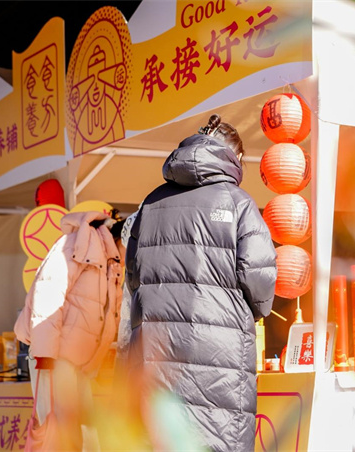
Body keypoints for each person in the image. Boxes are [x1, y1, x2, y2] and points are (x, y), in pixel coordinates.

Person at [125, 114, 277, 452]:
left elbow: (134, 275)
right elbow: (259, 277)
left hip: (155, 347)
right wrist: (244, 312)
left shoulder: (151, 203)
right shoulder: (238, 203)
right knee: (218, 436)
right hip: (219, 350)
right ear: (236, 157)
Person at [14, 210, 125, 451]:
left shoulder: (112, 263)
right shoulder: (80, 242)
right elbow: (49, 289)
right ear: (124, 238)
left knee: (84, 431)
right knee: (61, 430)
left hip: (79, 360)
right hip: (55, 355)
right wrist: (45, 353)